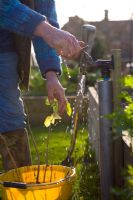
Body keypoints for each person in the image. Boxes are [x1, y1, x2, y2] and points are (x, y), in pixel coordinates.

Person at [0, 0, 84, 171]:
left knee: (12, 118)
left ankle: (19, 188)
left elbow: (46, 20)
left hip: (4, 51)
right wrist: (47, 30)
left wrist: (51, 74)